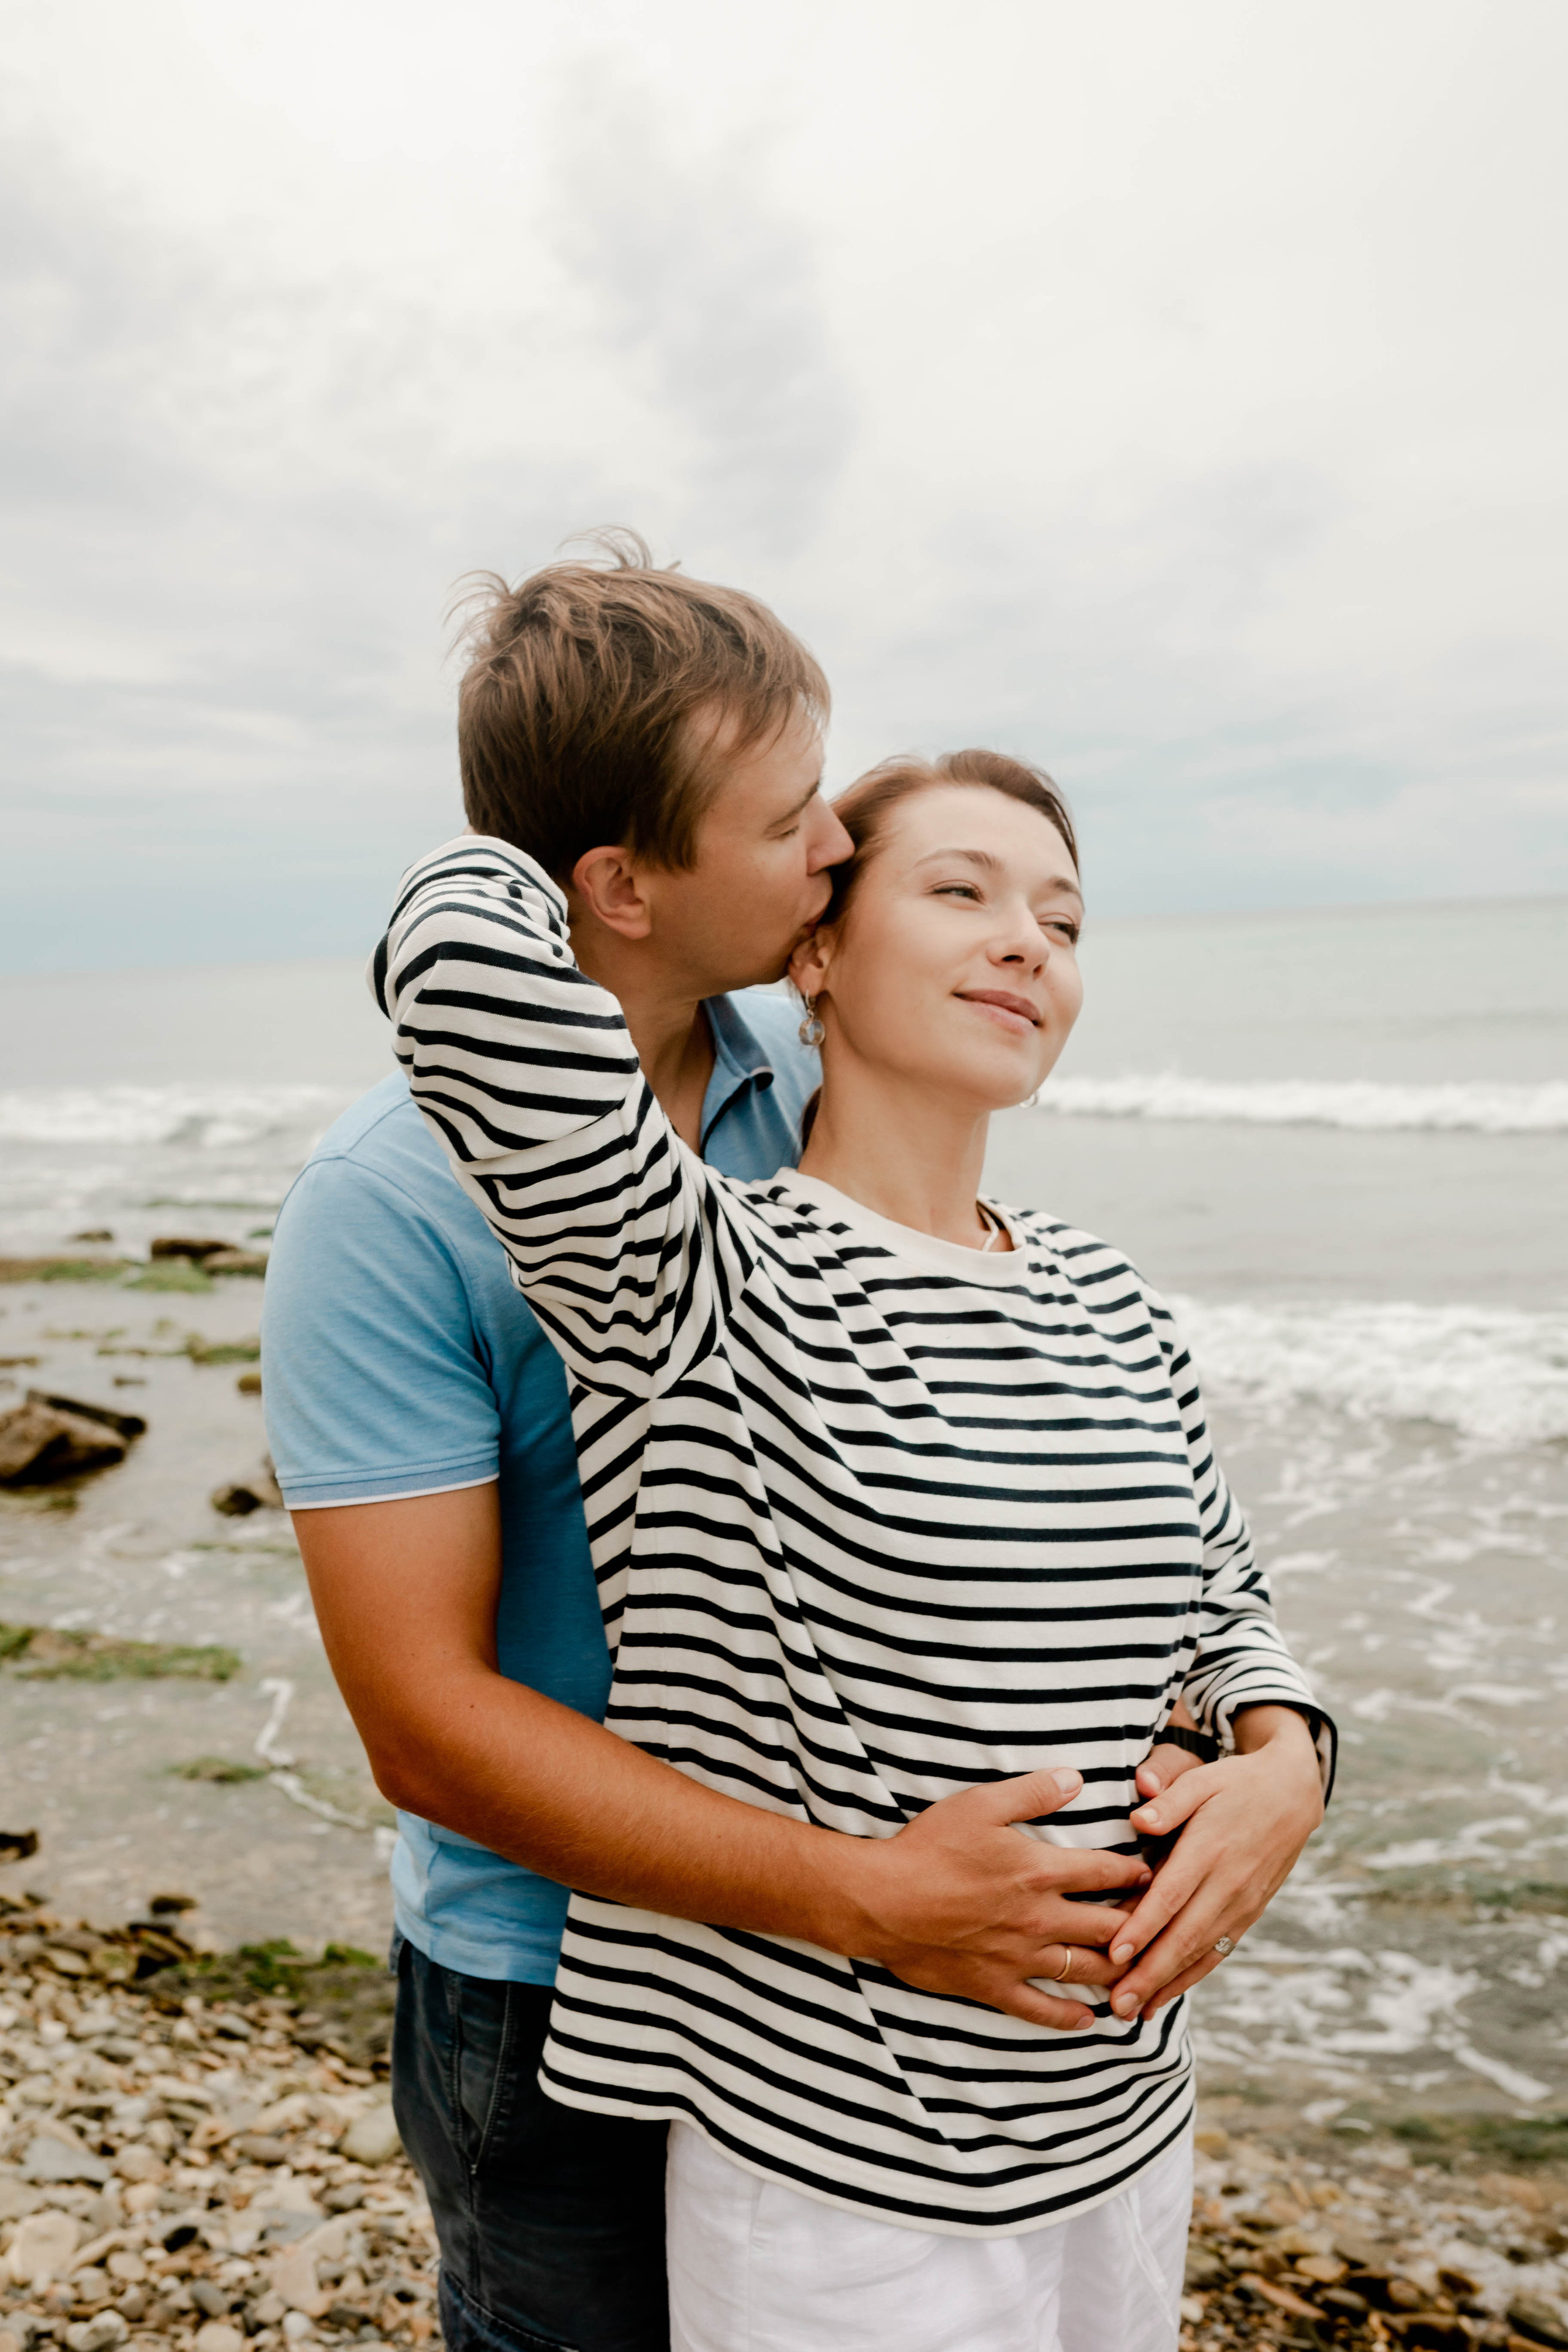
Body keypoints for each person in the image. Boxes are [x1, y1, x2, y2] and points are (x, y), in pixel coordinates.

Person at [263, 543, 1218, 2352]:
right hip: (557, 1985)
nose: (838, 853)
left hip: (883, 1998)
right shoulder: (389, 1206)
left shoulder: (821, 1082)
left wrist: (1266, 1747)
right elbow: (421, 1720)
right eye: (795, 821)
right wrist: (869, 1899)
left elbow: (1058, 1473)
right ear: (621, 884)